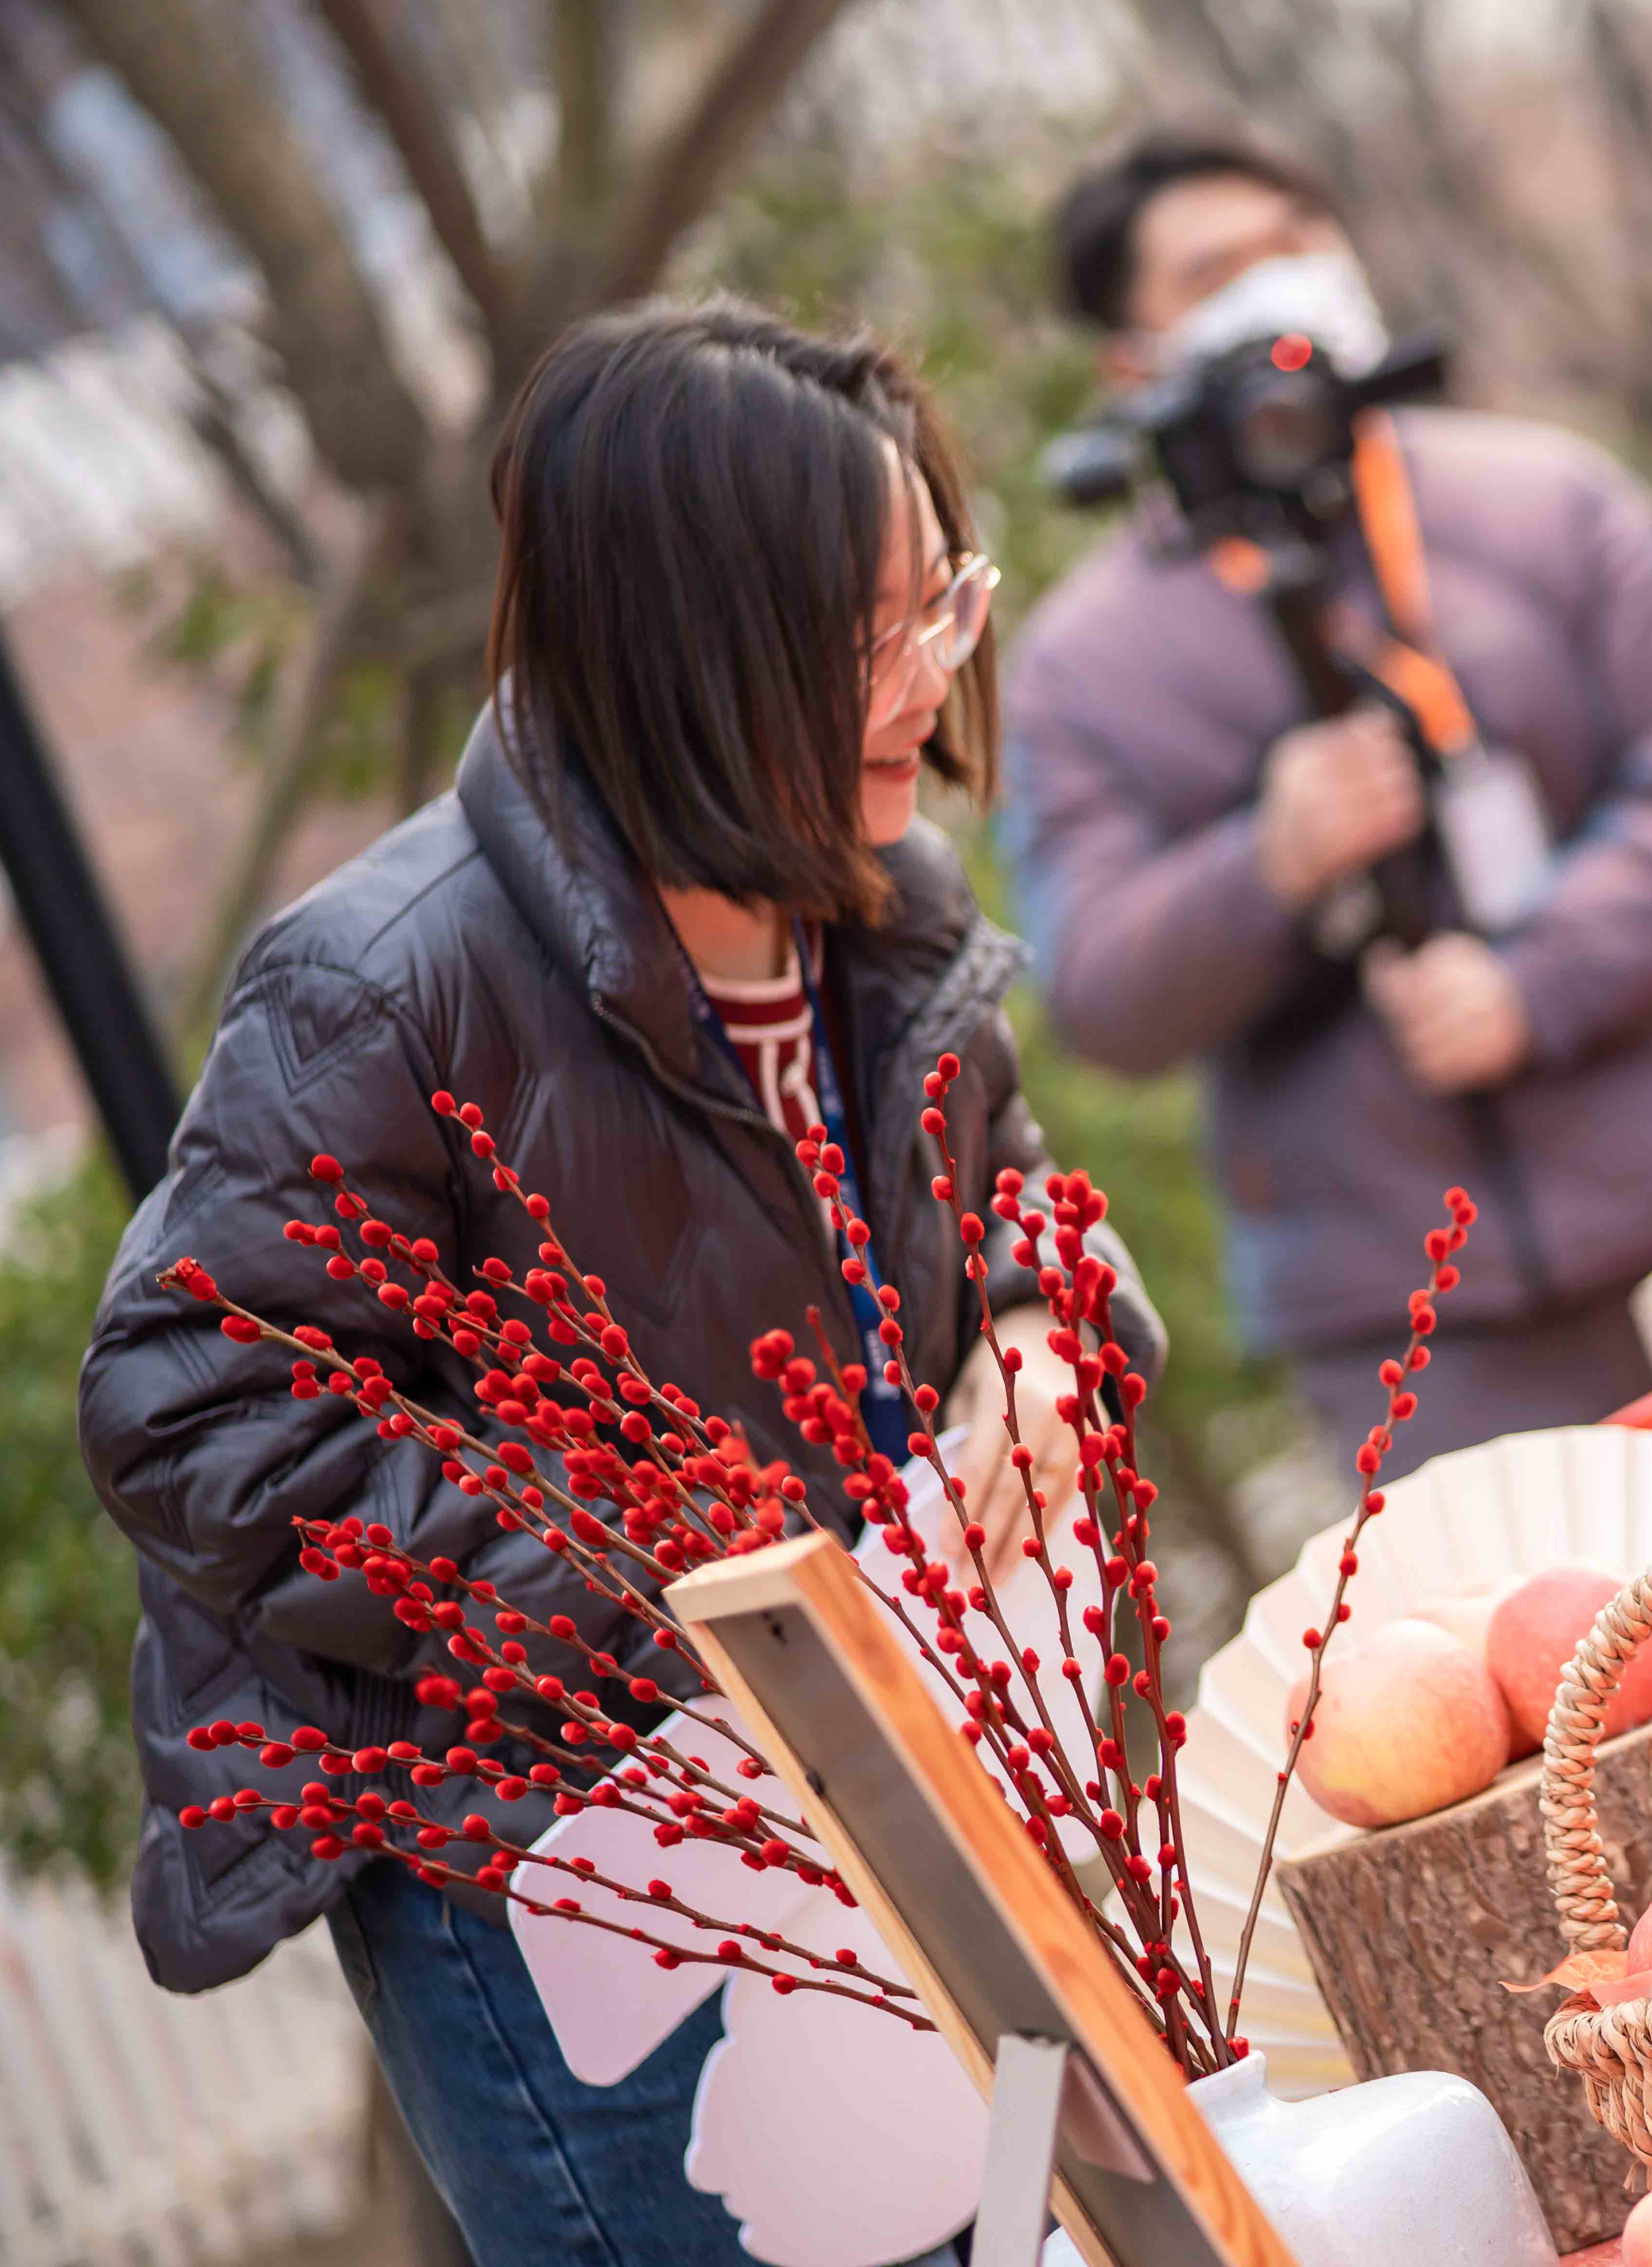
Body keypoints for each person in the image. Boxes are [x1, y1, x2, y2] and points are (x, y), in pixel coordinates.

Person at [77, 300, 1155, 2267]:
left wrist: (1032, 1340)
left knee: (1011, 2239)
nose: (933, 675)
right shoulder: (386, 980)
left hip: (868, 1785)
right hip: (575, 1882)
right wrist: (669, 1582)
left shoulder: (878, 900)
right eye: (867, 638)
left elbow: (1009, 1195)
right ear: (685, 650)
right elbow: (189, 1397)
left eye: (949, 602)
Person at [1006, 129, 1652, 1451]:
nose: (1276, 287)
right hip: (1411, 1322)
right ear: (1129, 363)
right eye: (1217, 274)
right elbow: (1096, 989)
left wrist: (1535, 983)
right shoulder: (1082, 670)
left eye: (1294, 244)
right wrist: (1266, 864)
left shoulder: (1547, 502)